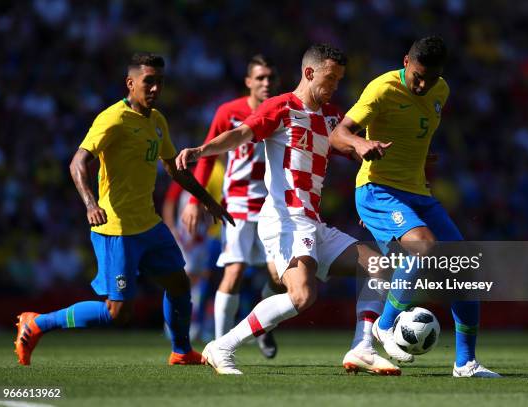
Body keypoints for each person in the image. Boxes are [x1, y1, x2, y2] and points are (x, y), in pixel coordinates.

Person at [176, 44, 398, 375]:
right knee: (302, 296)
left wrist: (381, 153)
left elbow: (351, 147)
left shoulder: (331, 117)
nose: (335, 87)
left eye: (339, 80)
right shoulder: (280, 107)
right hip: (285, 219)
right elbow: (240, 134)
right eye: (330, 79)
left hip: (311, 222)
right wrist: (202, 151)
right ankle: (222, 346)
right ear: (309, 73)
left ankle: (362, 347)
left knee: (377, 264)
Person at [14, 52, 234, 366]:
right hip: (116, 229)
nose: (156, 88)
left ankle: (181, 351)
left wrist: (209, 201)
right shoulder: (112, 119)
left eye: (160, 82)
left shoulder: (158, 121)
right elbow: (77, 163)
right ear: (130, 84)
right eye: (149, 82)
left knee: (179, 283)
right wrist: (91, 204)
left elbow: (174, 170)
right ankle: (36, 324)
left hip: (149, 224)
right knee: (118, 313)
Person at [330, 36, 501, 378]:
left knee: (463, 269)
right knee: (424, 248)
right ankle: (385, 325)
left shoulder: (442, 91)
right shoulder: (382, 88)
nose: (423, 85)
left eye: (431, 78)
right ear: (406, 61)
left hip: (417, 192)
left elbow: (416, 134)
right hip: (377, 190)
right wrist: (362, 143)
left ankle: (465, 363)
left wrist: (420, 157)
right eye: (418, 76)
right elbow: (339, 133)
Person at [180, 55, 284, 358]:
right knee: (235, 270)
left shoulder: (284, 110)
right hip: (237, 203)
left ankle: (263, 328)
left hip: (273, 206)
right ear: (248, 82)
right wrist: (194, 199)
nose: (266, 83)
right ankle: (220, 345)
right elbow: (207, 156)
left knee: (280, 279)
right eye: (260, 78)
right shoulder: (229, 112)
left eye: (271, 78)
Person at [162, 158, 225, 341]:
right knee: (185, 278)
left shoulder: (208, 177)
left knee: (203, 278)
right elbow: (170, 203)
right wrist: (172, 228)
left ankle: (197, 323)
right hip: (184, 236)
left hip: (202, 236)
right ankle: (175, 323)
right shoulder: (183, 178)